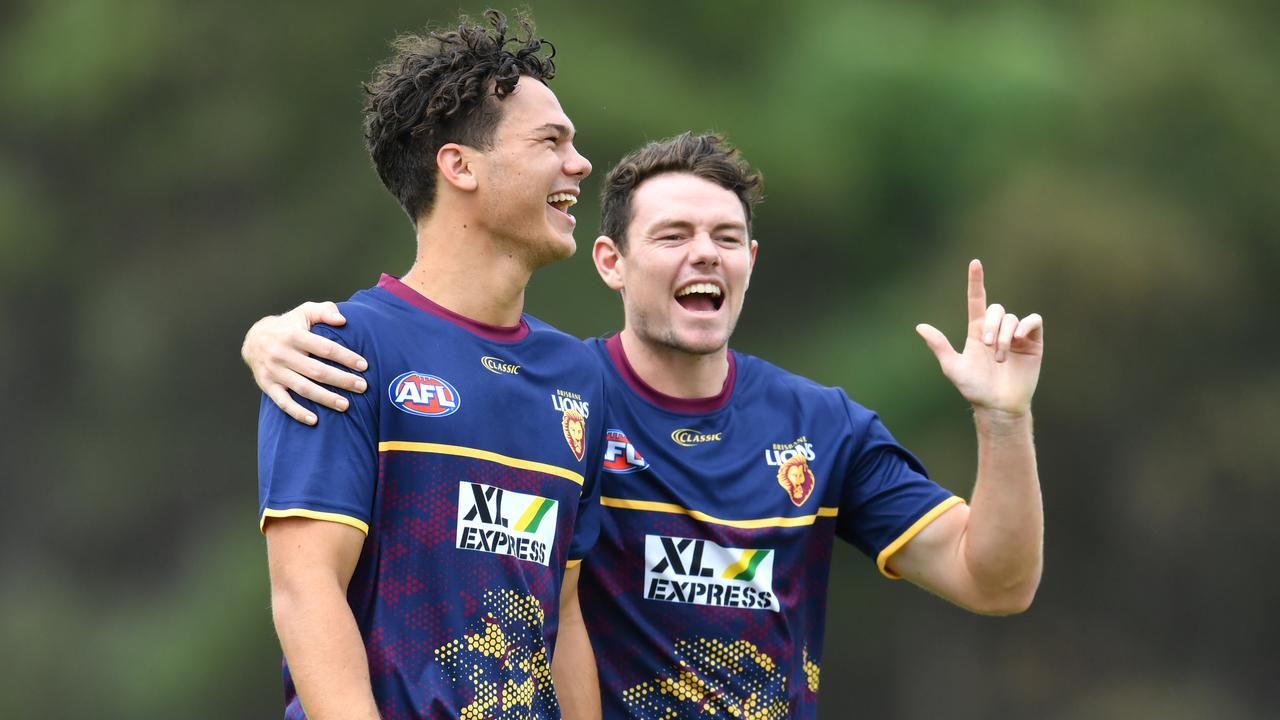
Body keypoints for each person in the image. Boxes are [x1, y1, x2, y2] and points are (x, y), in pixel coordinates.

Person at [246, 134, 1044, 718]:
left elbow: (997, 579)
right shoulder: (552, 397)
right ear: (609, 262)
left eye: (727, 239)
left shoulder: (821, 425)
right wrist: (272, 338)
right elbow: (433, 370)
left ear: (751, 262)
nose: (705, 256)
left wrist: (1003, 421)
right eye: (672, 237)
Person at [255, 11, 607, 719]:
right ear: (460, 165)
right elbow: (306, 590)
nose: (580, 164)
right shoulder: (340, 347)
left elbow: (563, 614)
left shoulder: (577, 377)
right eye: (551, 142)